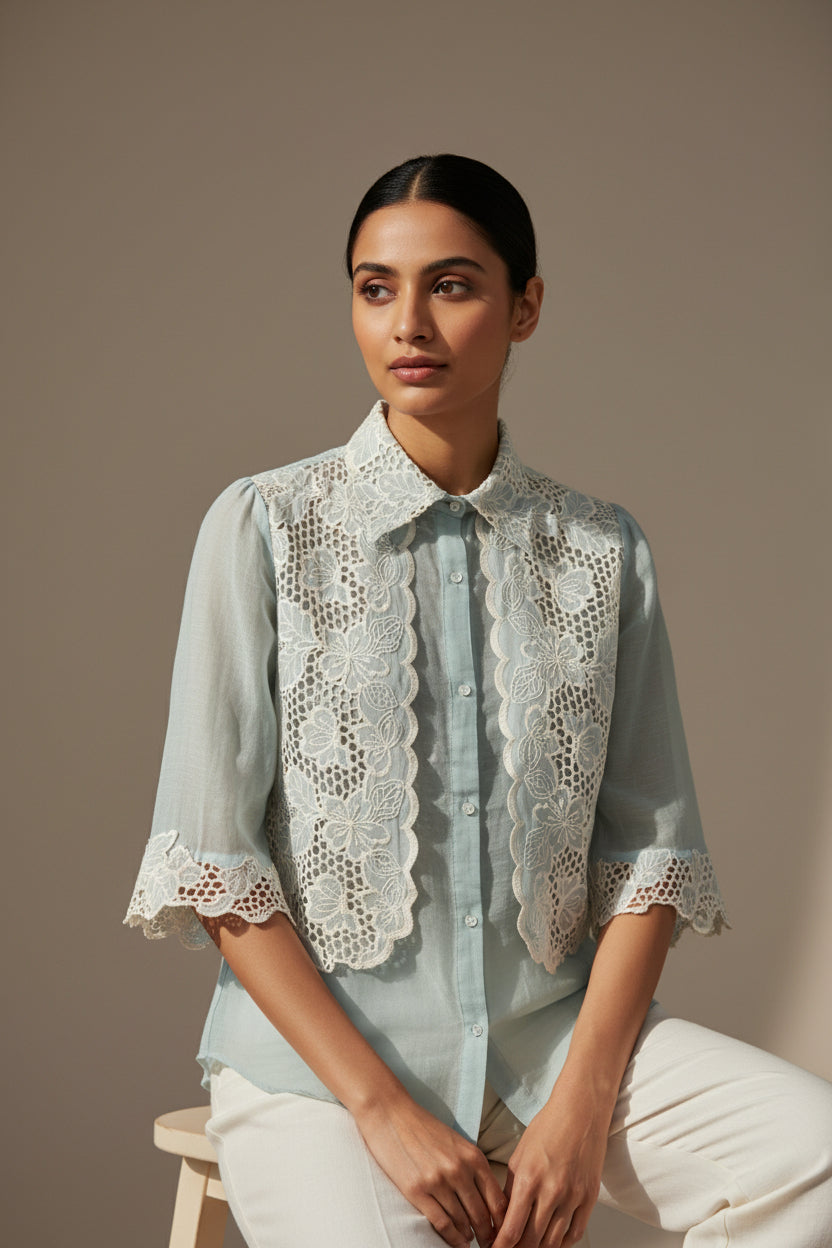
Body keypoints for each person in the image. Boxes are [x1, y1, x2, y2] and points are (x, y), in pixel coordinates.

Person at [125, 154, 832, 1248]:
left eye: (450, 285)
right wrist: (382, 1110)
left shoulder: (598, 549)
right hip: (323, 1077)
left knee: (814, 1154)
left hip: (551, 1046)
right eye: (376, 288)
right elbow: (218, 864)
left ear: (526, 306)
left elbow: (648, 858)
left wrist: (580, 1106)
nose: (408, 322)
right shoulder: (265, 527)